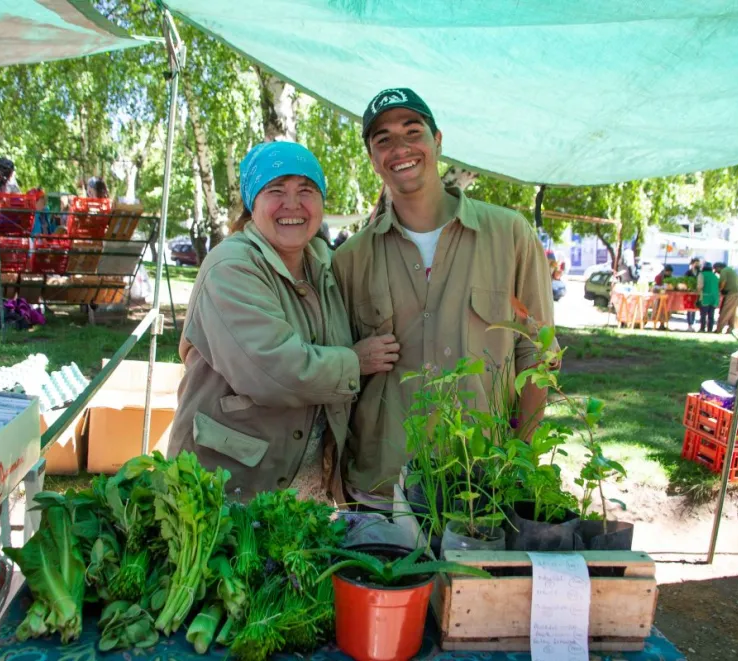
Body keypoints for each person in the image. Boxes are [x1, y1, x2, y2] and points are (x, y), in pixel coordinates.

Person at [333, 88, 556, 509]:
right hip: (381, 490)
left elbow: (537, 355)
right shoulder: (350, 259)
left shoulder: (509, 234)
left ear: (437, 141)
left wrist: (520, 464)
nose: (400, 148)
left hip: (483, 487)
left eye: (412, 132)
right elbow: (336, 371)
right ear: (372, 158)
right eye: (383, 139)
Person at [170, 141, 399, 502]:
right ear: (253, 204)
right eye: (276, 190)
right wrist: (356, 362)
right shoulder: (231, 267)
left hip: (301, 485)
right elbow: (273, 371)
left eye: (306, 190)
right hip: (228, 486)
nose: (292, 204)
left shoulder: (324, 265)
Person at [714, 262, 738, 334]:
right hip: (737, 294)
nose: (716, 272)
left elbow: (723, 282)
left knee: (725, 312)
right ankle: (730, 329)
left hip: (730, 294)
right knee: (732, 313)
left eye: (716, 270)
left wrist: (719, 290)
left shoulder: (724, 271)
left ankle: (719, 329)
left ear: (719, 268)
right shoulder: (730, 270)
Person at [697, 261, 720, 332]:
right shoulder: (715, 276)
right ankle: (710, 329)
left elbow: (700, 286)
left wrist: (698, 294)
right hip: (714, 298)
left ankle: (702, 328)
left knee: (703, 314)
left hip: (705, 297)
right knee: (711, 315)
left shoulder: (702, 274)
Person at [684, 257, 702, 331]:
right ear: (692, 264)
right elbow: (685, 281)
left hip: (697, 293)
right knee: (689, 309)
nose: (697, 265)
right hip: (690, 293)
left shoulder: (700, 272)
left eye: (698, 263)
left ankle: (693, 324)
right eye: (696, 263)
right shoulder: (688, 272)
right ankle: (689, 324)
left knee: (695, 308)